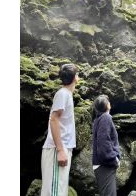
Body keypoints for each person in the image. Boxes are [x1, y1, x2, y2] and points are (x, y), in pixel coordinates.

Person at [41, 63, 79, 196]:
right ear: (75, 77)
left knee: (58, 191)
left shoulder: (66, 94)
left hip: (60, 148)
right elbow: (54, 119)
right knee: (55, 192)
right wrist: (61, 150)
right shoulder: (63, 94)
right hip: (57, 149)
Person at [92, 95, 121, 196]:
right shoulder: (106, 118)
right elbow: (104, 143)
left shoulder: (98, 119)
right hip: (104, 165)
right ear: (107, 105)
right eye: (108, 101)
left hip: (101, 165)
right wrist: (114, 159)